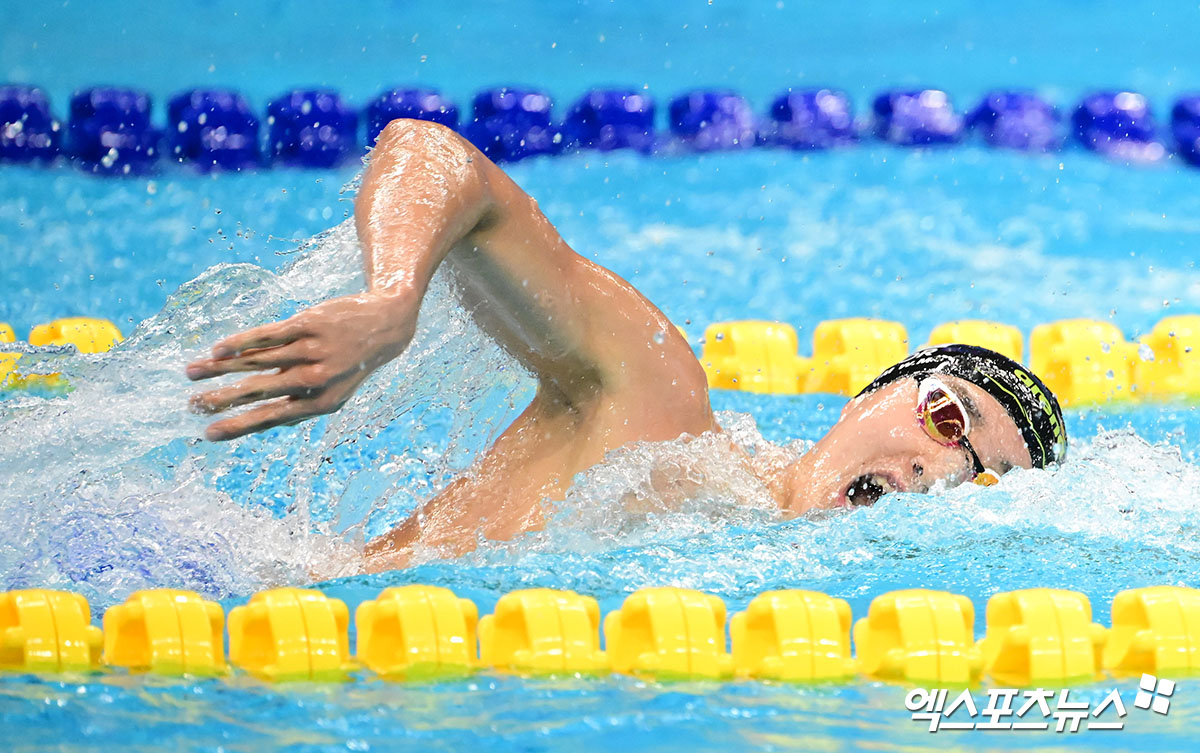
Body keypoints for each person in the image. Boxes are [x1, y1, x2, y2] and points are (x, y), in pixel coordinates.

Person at [186, 118, 1068, 572]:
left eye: (981, 481)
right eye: (948, 419)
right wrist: (391, 299)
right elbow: (432, 154)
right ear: (869, 396)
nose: (938, 471)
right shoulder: (658, 410)